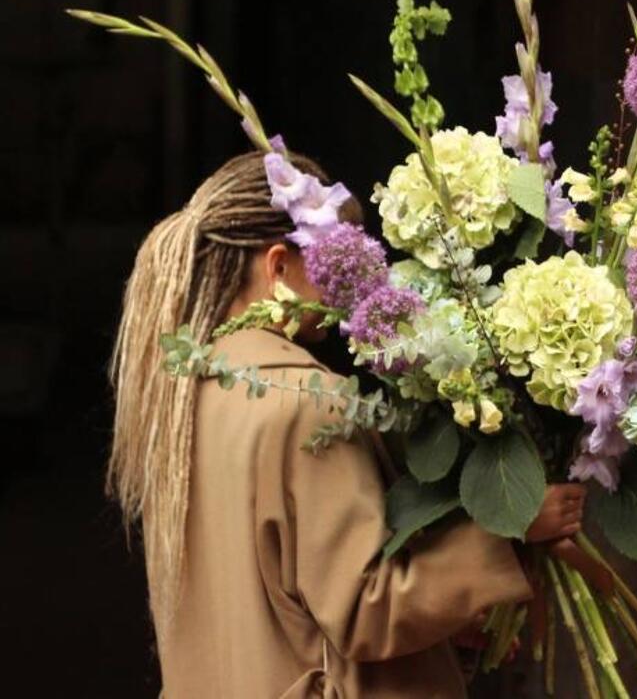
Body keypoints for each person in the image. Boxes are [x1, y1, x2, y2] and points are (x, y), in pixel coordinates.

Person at [108, 151, 586, 699]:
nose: (348, 284)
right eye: (332, 256)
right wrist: (513, 526)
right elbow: (364, 609)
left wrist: (440, 638)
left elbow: (274, 605)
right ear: (278, 266)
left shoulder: (178, 401)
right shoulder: (307, 404)